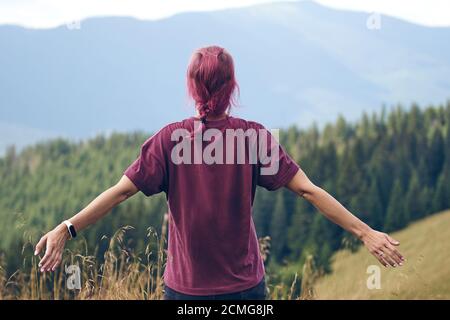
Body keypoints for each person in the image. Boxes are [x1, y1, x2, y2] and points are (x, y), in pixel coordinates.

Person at [34, 45, 404, 300]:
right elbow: (308, 190)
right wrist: (365, 233)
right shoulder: (254, 137)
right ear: (232, 87)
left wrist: (68, 229)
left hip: (185, 290)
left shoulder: (169, 140)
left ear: (192, 87)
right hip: (245, 289)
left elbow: (119, 192)